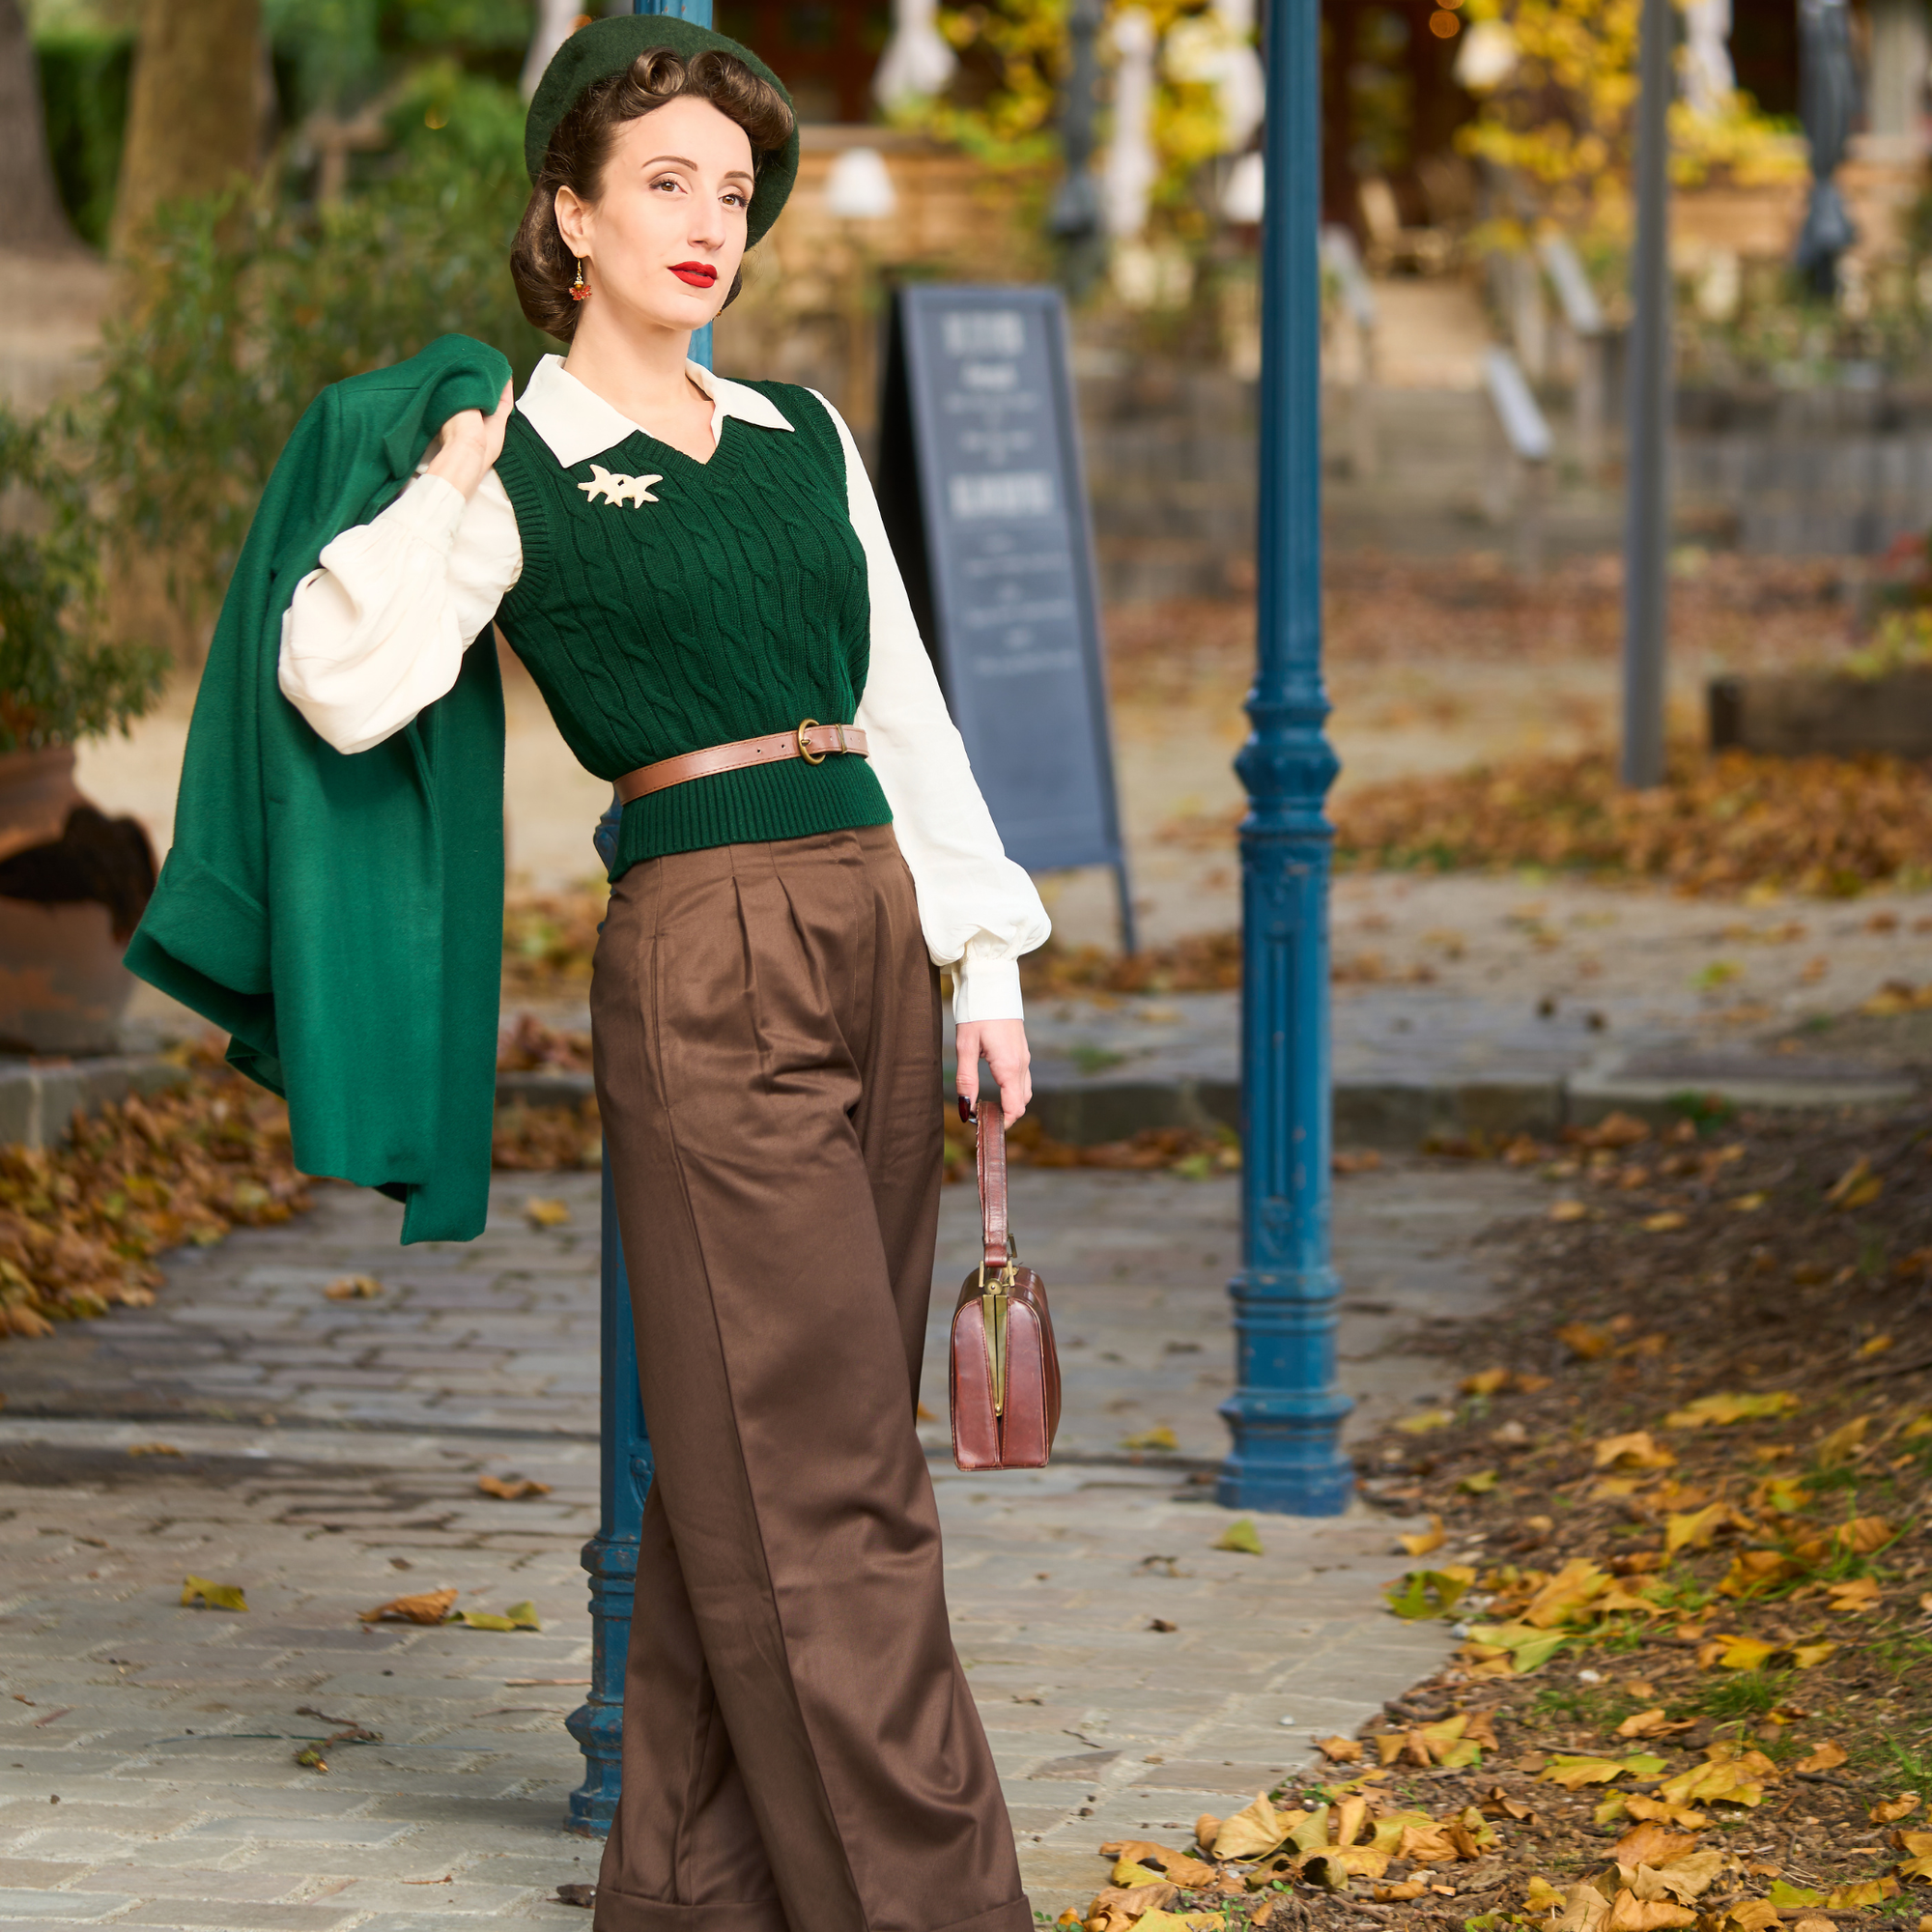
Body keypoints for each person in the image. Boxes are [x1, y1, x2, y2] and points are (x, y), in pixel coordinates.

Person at [271, 17, 1048, 1932]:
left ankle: (691, 1900)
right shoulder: (519, 456)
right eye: (666, 185)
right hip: (705, 956)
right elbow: (338, 671)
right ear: (573, 217)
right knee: (827, 1486)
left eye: (735, 189)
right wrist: (454, 477)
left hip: (872, 916)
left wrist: (984, 956)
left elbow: (899, 706)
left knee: (760, 1474)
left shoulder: (803, 436)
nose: (713, 223)